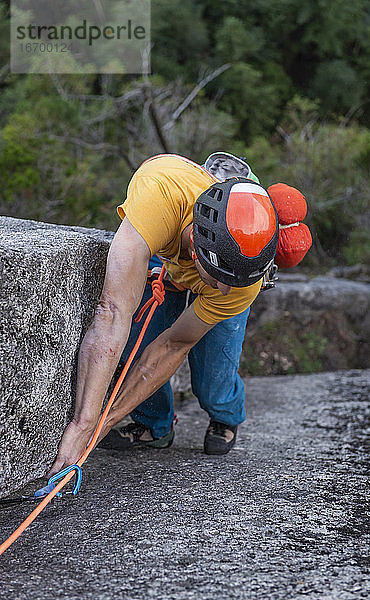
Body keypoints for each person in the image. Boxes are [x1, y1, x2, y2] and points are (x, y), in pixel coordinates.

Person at [48, 152, 301, 476]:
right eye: (217, 282)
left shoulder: (238, 284)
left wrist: (103, 423)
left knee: (215, 368)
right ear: (195, 247)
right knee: (138, 338)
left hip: (232, 265)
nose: (222, 291)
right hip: (171, 254)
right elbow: (112, 313)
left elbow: (175, 344)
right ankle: (155, 426)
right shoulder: (158, 193)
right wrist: (84, 424)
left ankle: (225, 414)